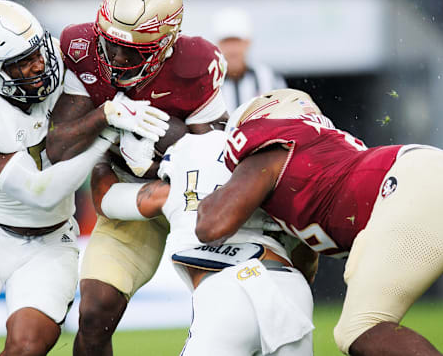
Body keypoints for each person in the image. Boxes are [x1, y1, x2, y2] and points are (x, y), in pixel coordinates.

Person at [196, 88, 443, 356]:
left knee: (359, 330)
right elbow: (304, 258)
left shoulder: (271, 145)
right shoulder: (320, 148)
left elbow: (212, 224)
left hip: (412, 188)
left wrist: (194, 186)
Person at [0, 0, 168, 356]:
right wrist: (106, 125)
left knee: (27, 348)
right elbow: (39, 192)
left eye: (37, 51)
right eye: (22, 63)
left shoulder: (61, 63)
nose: (41, 64)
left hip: (52, 241)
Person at [45, 0, 229, 356]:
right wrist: (107, 117)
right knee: (94, 314)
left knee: (225, 310)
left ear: (167, 44)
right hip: (126, 192)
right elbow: (58, 149)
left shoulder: (197, 63)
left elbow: (212, 160)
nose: (117, 58)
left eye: (133, 50)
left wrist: (161, 155)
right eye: (111, 45)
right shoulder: (82, 49)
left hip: (190, 198)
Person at [89, 129, 315, 355]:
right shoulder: (269, 186)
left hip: (226, 294)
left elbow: (105, 198)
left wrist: (100, 155)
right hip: (290, 289)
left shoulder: (171, 191)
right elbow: (307, 257)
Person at [212, 7, 287, 112]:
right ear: (218, 44)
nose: (232, 49)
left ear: (248, 43)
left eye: (237, 42)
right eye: (227, 42)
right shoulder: (207, 83)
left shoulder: (268, 78)